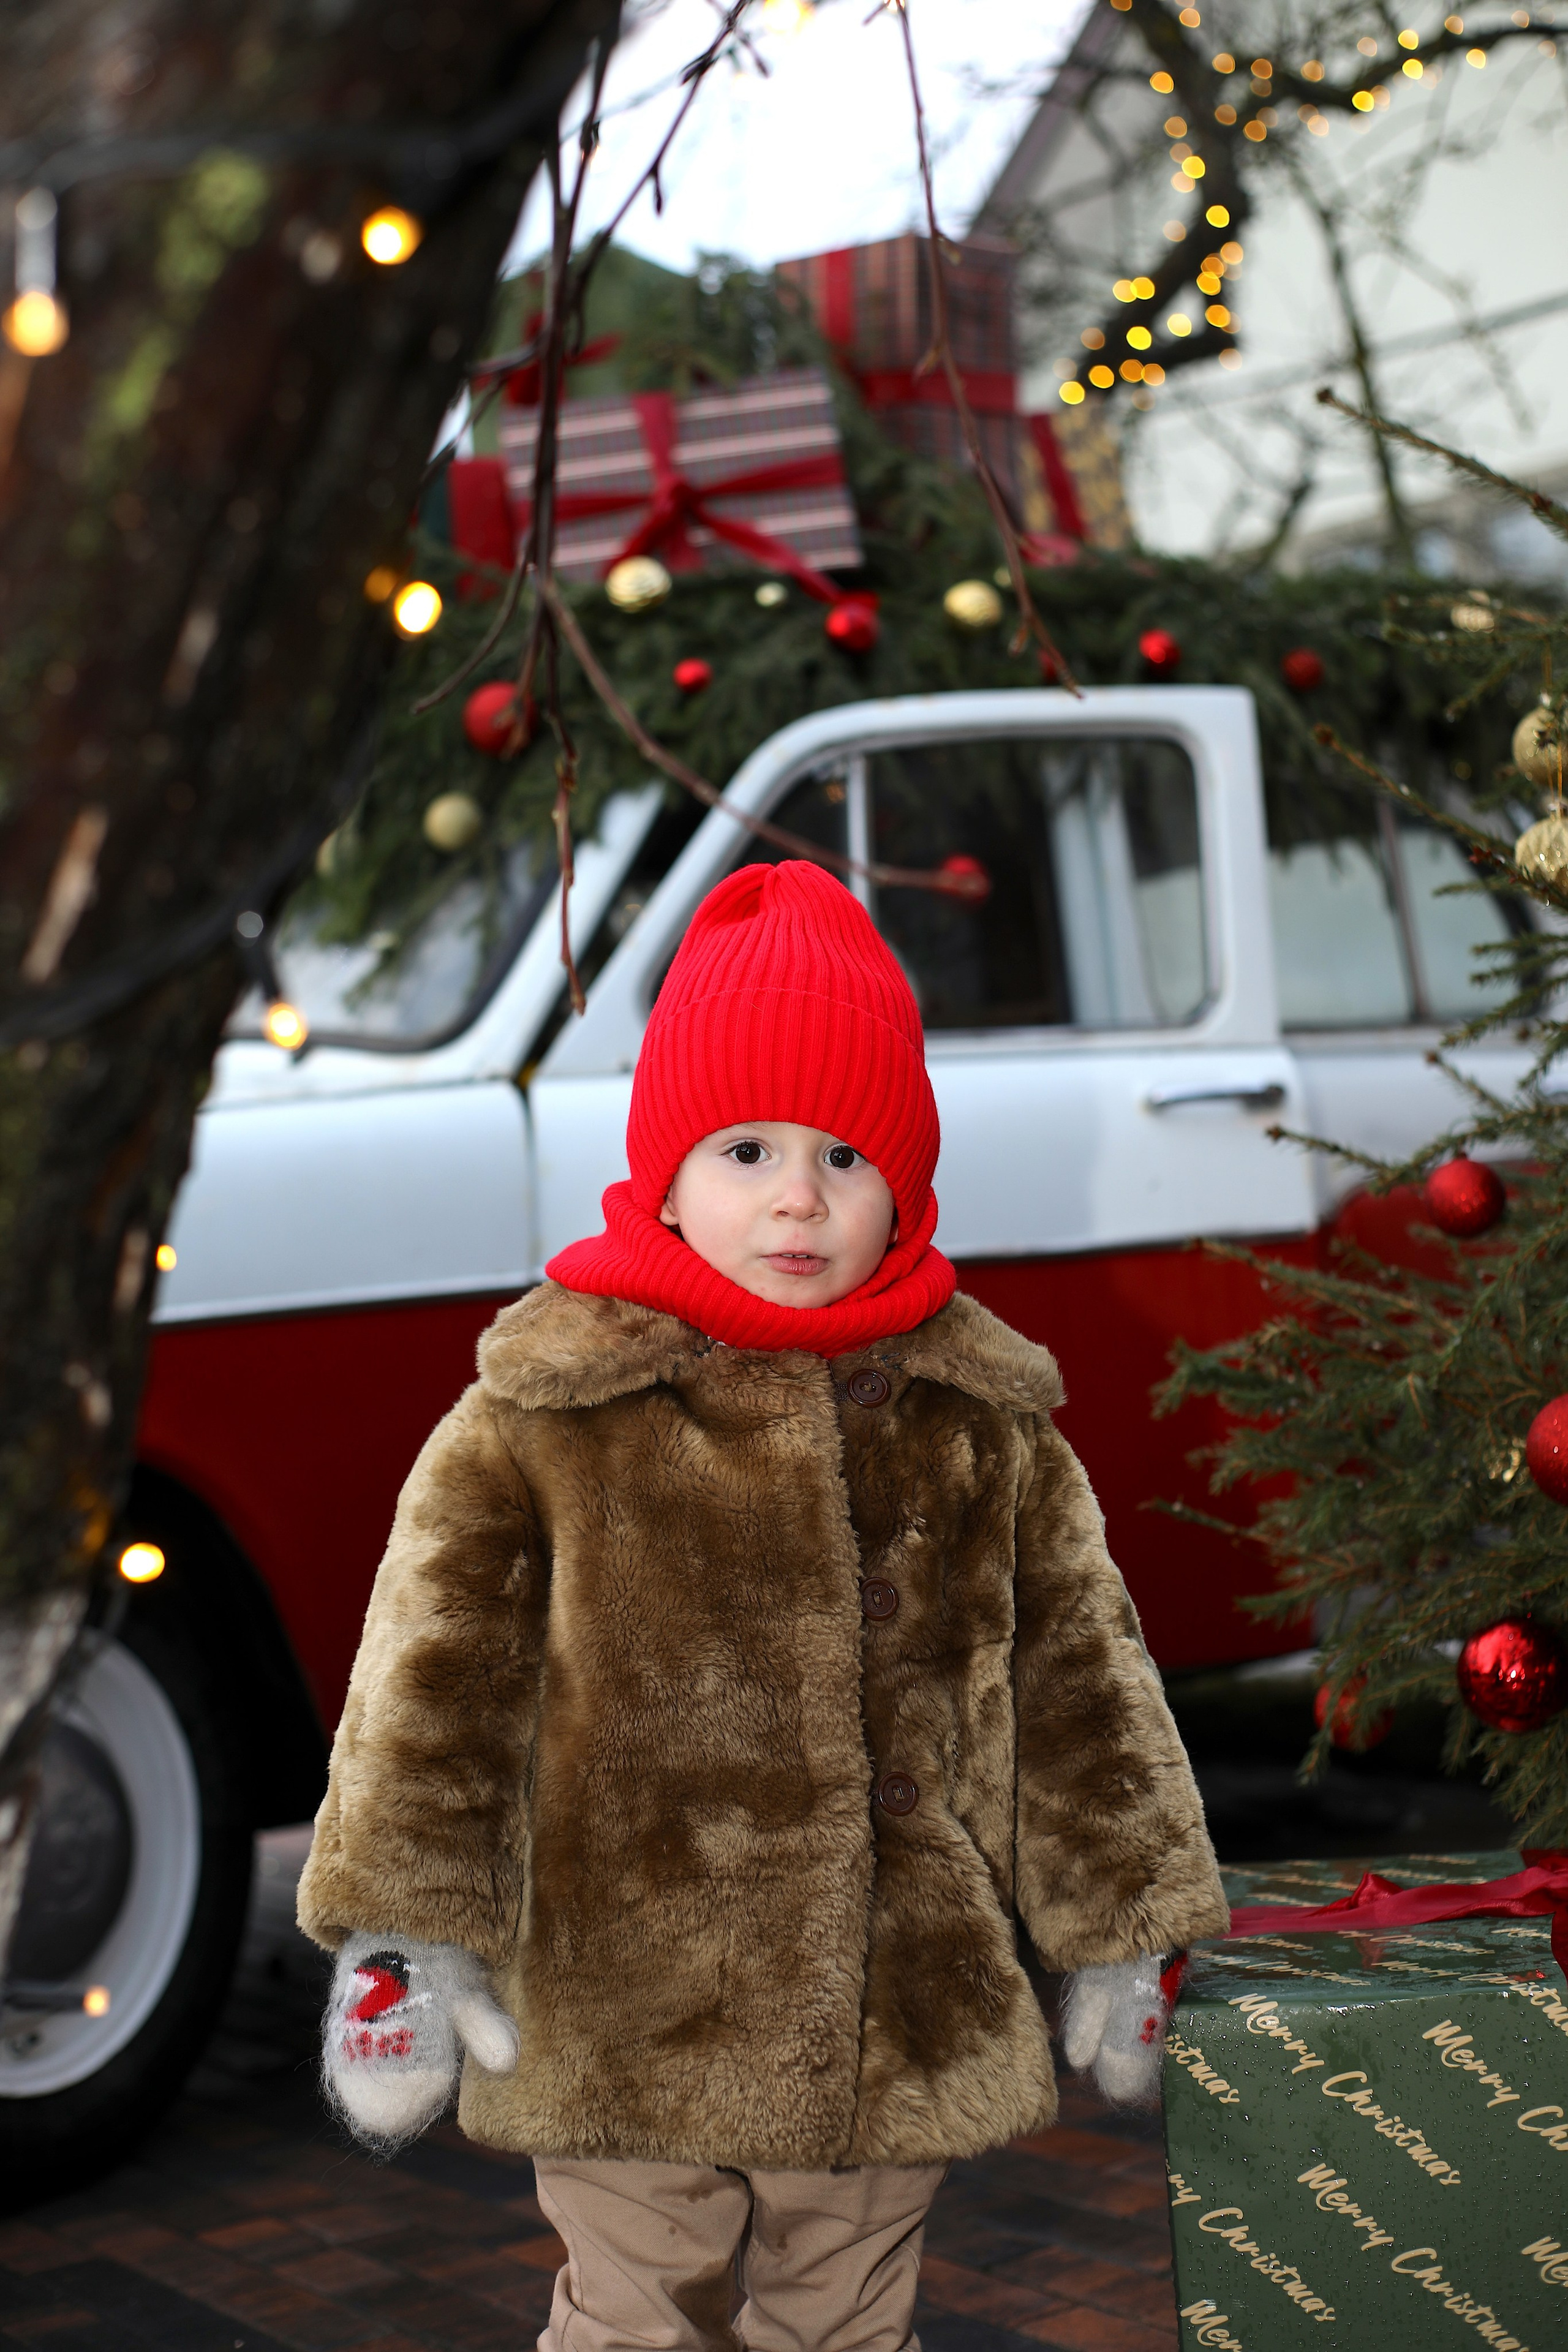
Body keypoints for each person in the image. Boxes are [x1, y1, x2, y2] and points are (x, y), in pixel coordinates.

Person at [298, 858, 1227, 2352]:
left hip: (888, 2004)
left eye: (845, 1159)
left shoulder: (976, 1427)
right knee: (631, 2318)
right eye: (744, 1149)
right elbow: (431, 1689)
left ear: (906, 1186)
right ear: (660, 1169)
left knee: (849, 2322)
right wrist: (405, 1933)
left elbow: (1076, 1693)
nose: (797, 1197)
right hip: (624, 1999)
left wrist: (1120, 1922)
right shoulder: (548, 1416)